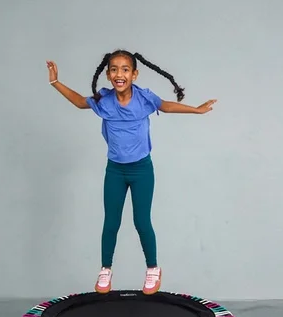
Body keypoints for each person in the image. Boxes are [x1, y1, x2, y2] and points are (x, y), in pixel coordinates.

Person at [46, 49, 216, 295]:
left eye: (125, 70)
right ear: (108, 75)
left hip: (141, 170)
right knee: (111, 222)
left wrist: (197, 110)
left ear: (134, 74)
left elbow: (166, 106)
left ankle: (153, 269)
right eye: (114, 70)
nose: (119, 74)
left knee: (141, 221)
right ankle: (105, 269)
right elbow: (79, 101)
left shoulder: (144, 98)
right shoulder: (104, 100)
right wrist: (55, 82)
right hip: (115, 170)